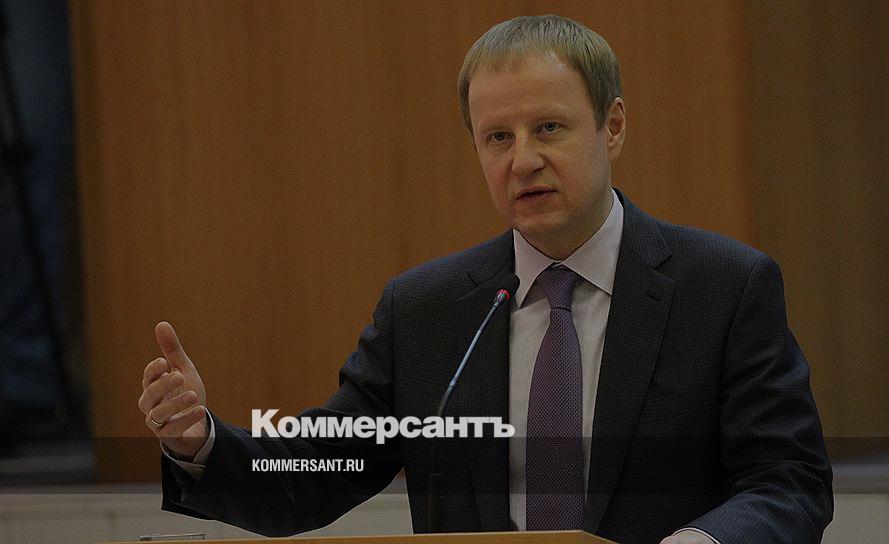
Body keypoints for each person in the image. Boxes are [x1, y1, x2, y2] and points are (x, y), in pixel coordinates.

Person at [138, 15, 833, 544]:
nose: (522, 161)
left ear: (613, 126)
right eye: (498, 137)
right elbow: (320, 471)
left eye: (549, 128)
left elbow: (789, 482)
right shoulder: (427, 311)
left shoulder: (723, 288)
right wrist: (201, 443)